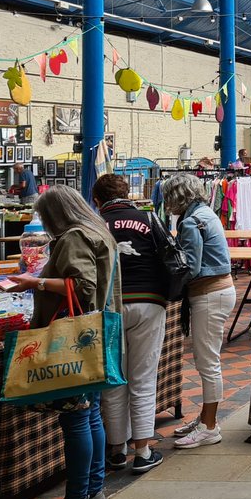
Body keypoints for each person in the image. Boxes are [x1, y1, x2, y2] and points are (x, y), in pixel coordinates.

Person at [5, 185, 123, 499]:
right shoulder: (98, 231)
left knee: (75, 420)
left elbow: (80, 286)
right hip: (96, 336)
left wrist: (34, 283)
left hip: (74, 341)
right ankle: (94, 492)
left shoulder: (73, 238)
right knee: (91, 416)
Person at [92, 174, 168, 475]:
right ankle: (143, 451)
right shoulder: (149, 219)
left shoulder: (94, 225)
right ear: (128, 193)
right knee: (143, 379)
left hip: (110, 308)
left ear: (97, 201)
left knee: (114, 378)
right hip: (149, 302)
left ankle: (116, 450)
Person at [161, 173, 237, 449]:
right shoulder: (205, 213)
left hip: (209, 294)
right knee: (208, 361)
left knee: (207, 363)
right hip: (218, 292)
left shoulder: (192, 221)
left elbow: (190, 267)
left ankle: (209, 427)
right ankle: (207, 418)